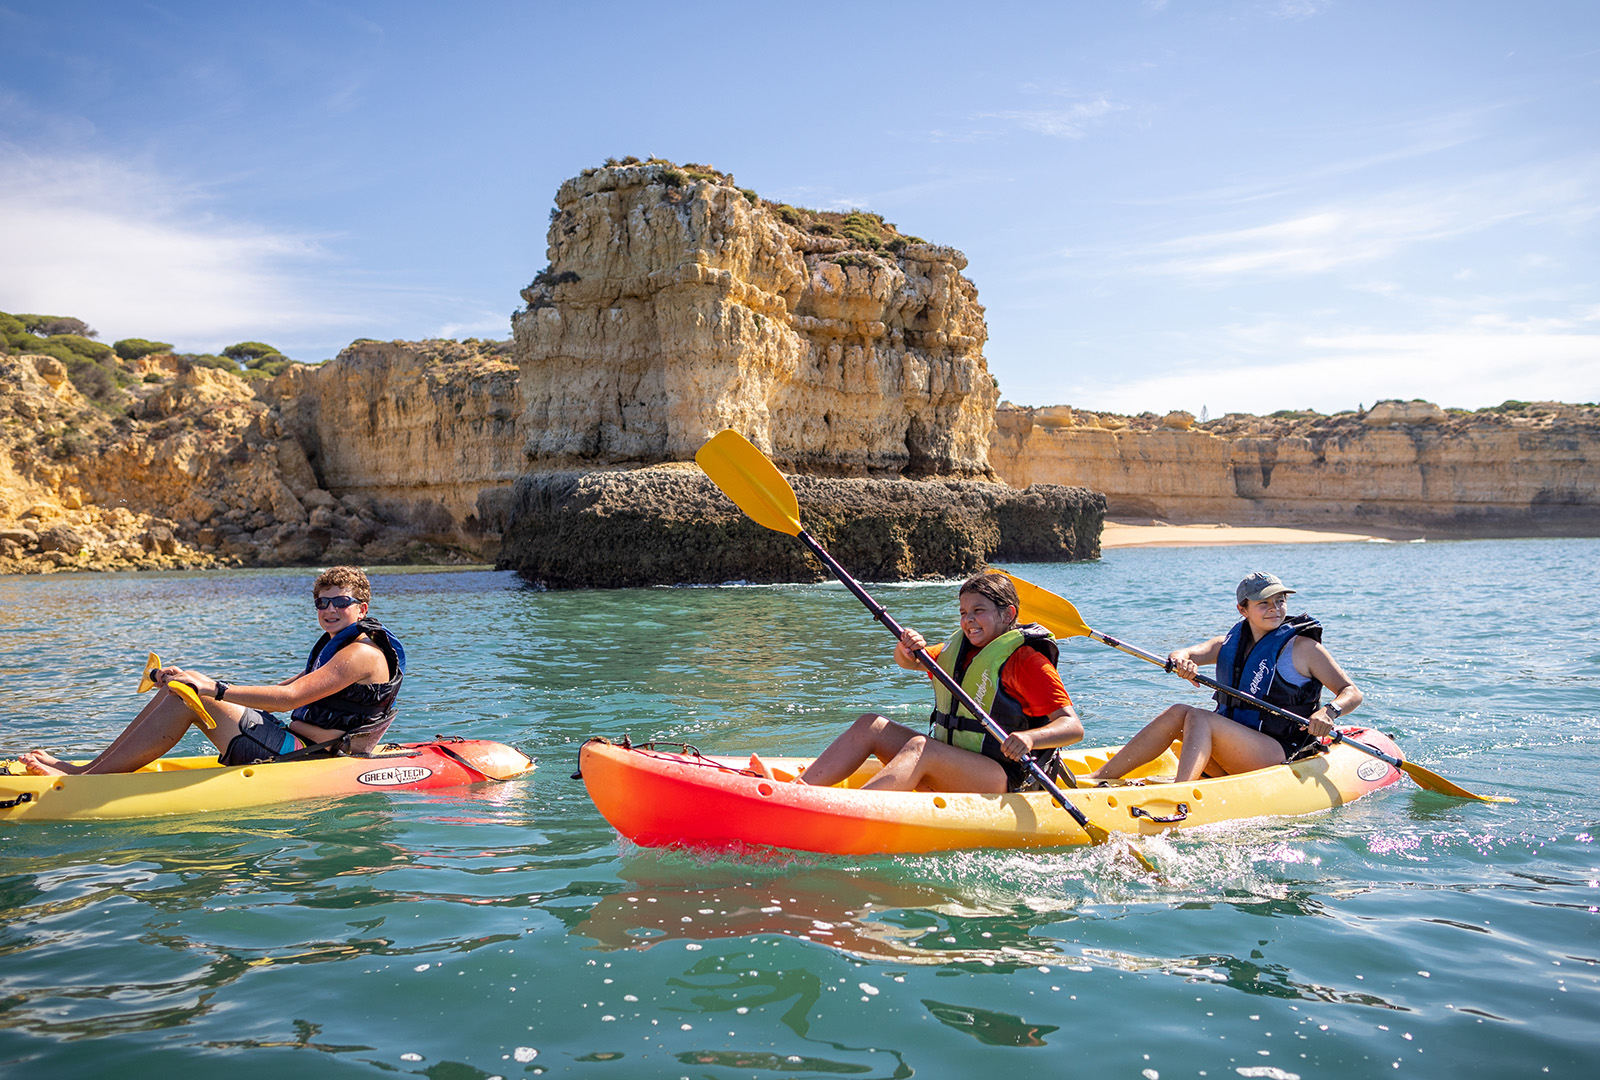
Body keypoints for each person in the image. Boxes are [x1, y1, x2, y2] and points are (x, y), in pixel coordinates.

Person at [20, 566, 404, 776]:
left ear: (362, 608)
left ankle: (86, 780)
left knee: (188, 699)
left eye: (341, 601)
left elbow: (292, 699)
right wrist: (195, 679)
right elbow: (282, 687)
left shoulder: (360, 654)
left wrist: (212, 689)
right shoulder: (338, 645)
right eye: (323, 602)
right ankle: (91, 769)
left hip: (309, 758)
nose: (330, 609)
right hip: (293, 742)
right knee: (183, 691)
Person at [755, 571, 1084, 793]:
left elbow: (1072, 727)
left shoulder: (1027, 661)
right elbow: (910, 662)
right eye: (963, 612)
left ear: (1008, 614)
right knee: (871, 725)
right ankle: (800, 792)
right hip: (958, 761)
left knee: (920, 748)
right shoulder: (963, 650)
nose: (968, 620)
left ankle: (852, 809)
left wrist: (1028, 739)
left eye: (978, 611)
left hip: (1004, 776)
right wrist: (907, 648)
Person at [1085, 571, 1361, 784]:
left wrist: (1329, 711)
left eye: (1280, 601)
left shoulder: (1304, 648)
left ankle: (1181, 793)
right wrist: (1181, 659)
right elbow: (1185, 652)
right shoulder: (1229, 643)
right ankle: (1101, 777)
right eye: (1263, 604)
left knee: (1200, 717)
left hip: (1280, 751)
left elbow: (1351, 692)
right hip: (1238, 749)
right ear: (1243, 610)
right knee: (1180, 711)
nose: (1275, 609)